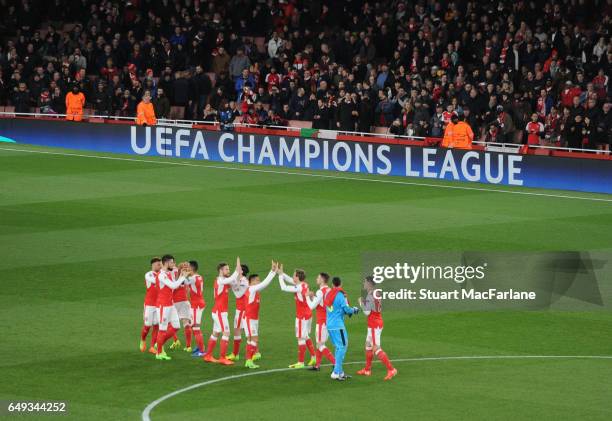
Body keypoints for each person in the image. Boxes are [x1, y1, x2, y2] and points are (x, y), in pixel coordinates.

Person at [356, 277, 397, 381]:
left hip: (374, 325)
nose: (363, 283)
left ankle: (391, 369)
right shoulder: (377, 293)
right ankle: (367, 370)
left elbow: (366, 312)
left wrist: (361, 302)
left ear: (369, 283)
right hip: (375, 322)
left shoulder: (370, 295)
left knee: (376, 348)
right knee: (368, 345)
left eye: (365, 282)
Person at [203, 257, 241, 365]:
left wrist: (238, 275)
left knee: (215, 333)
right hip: (220, 312)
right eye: (226, 269)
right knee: (226, 332)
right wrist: (237, 269)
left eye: (229, 269)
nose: (228, 271)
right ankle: (222, 358)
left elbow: (236, 285)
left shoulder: (223, 281)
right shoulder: (220, 280)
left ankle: (208, 355)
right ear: (221, 271)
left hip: (219, 311)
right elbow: (231, 279)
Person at [242, 261, 279, 369]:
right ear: (252, 282)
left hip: (254, 319)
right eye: (257, 280)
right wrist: (272, 271)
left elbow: (263, 285)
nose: (259, 281)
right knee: (254, 339)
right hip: (249, 318)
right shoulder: (252, 289)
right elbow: (265, 283)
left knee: (250, 340)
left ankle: (248, 359)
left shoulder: (255, 290)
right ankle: (249, 360)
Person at [278, 266, 317, 368]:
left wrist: (279, 276)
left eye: (293, 275)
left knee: (300, 338)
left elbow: (284, 287)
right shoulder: (304, 284)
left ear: (297, 277)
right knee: (306, 336)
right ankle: (314, 357)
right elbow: (290, 280)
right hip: (308, 314)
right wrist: (281, 273)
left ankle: (300, 362)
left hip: (302, 316)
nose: (292, 276)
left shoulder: (299, 287)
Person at [324, 276, 359, 381]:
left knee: (338, 347)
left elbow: (333, 308)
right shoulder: (340, 295)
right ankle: (336, 372)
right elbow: (346, 309)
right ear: (340, 284)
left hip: (329, 325)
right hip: (338, 325)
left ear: (332, 284)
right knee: (343, 346)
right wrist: (355, 310)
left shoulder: (328, 294)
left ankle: (340, 372)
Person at [155, 255, 189, 361]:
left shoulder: (169, 273)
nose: (173, 264)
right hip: (162, 306)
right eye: (172, 263)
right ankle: (159, 352)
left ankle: (159, 345)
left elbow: (175, 285)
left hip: (170, 304)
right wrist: (183, 276)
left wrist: (181, 274)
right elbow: (173, 286)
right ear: (166, 263)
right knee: (162, 329)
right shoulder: (161, 275)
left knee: (176, 326)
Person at [305, 272, 336, 371]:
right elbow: (323, 303)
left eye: (318, 277)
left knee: (320, 345)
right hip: (329, 320)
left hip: (321, 321)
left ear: (322, 280)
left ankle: (335, 363)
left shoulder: (320, 291)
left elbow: (311, 306)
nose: (316, 279)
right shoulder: (330, 290)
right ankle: (317, 365)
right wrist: (313, 298)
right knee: (320, 343)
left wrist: (306, 296)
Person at [227, 264, 250, 362]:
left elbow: (238, 294)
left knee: (237, 331)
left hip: (242, 310)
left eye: (237, 269)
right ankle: (256, 352)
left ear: (241, 271)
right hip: (242, 309)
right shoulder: (240, 280)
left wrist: (233, 285)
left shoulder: (244, 281)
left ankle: (235, 354)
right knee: (246, 331)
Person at [185, 260, 206, 357]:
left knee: (196, 327)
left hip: (196, 305)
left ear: (192, 268)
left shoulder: (193, 278)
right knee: (193, 326)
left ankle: (202, 351)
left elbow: (182, 281)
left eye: (188, 267)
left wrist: (182, 273)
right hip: (199, 303)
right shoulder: (199, 276)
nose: (187, 268)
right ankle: (199, 346)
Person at [140, 257, 161, 354]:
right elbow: (156, 281)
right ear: (152, 265)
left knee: (156, 325)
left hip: (158, 304)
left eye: (160, 264)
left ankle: (152, 346)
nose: (159, 265)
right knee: (147, 325)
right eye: (158, 264)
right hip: (149, 304)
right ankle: (143, 340)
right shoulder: (148, 274)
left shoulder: (161, 274)